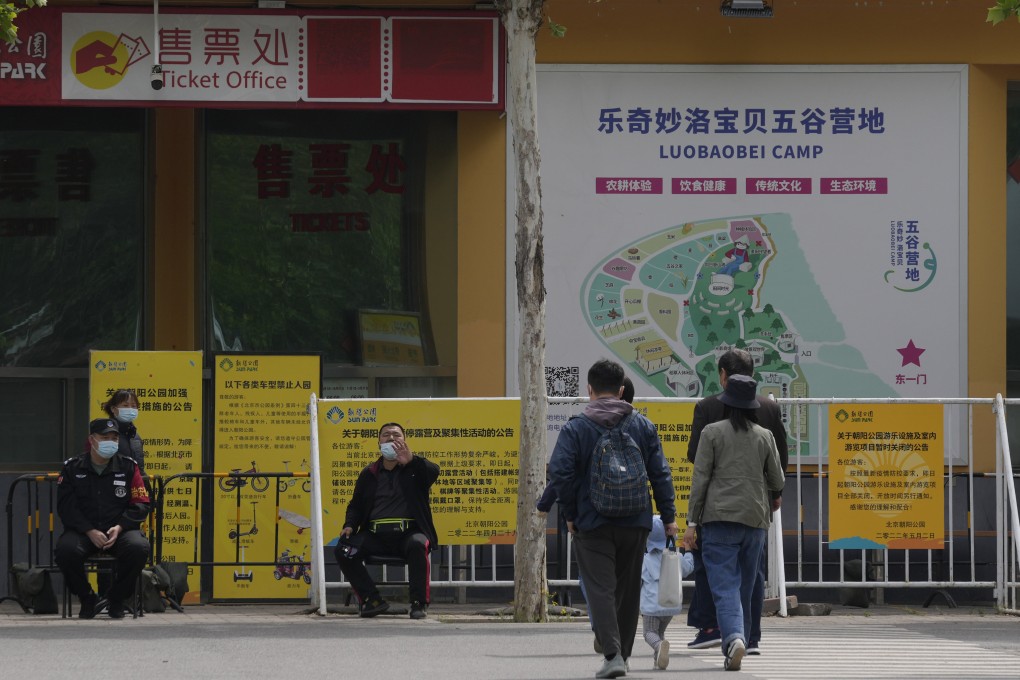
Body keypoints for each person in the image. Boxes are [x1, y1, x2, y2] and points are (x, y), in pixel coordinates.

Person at [548, 359, 677, 679]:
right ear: (621, 391)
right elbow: (660, 473)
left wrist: (571, 514)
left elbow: (560, 472)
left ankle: (612, 653)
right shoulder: (643, 425)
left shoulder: (576, 427)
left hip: (592, 521)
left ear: (588, 389)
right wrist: (669, 515)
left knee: (600, 589)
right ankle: (623, 655)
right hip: (635, 521)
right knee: (627, 591)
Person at [685, 349, 788, 654]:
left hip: (718, 515)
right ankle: (750, 636)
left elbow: (699, 474)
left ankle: (731, 637)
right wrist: (774, 494)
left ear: (723, 379)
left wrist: (692, 521)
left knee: (723, 582)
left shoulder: (710, 425)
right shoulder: (765, 430)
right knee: (751, 578)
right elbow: (779, 472)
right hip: (756, 514)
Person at [335, 422, 440, 620]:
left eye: (396, 435)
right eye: (386, 435)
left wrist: (412, 460)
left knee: (419, 544)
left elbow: (434, 472)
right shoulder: (369, 473)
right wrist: (349, 525)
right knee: (343, 550)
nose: (391, 438)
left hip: (408, 534)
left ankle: (419, 604)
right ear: (379, 443)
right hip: (375, 535)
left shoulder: (415, 469)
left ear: (404, 441)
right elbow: (355, 505)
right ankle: (372, 601)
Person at [55, 417, 151, 619]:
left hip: (119, 530)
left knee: (138, 547)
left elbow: (141, 502)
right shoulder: (73, 468)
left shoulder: (128, 467)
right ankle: (87, 597)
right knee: (65, 550)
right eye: (105, 437)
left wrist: (121, 527)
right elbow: (66, 507)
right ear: (92, 439)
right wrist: (89, 530)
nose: (111, 441)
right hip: (84, 531)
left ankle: (116, 598)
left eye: (114, 438)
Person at [640, 514, 694, 670]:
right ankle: (658, 660)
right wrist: (688, 551)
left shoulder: (644, 560)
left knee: (649, 633)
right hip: (670, 605)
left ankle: (658, 647)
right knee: (660, 633)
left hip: (651, 607)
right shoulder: (675, 557)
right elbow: (689, 568)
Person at [86, 389, 145, 469]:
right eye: (125, 405)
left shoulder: (135, 436)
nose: (130, 409)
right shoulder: (100, 434)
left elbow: (139, 469)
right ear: (113, 409)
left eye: (134, 406)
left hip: (134, 480)